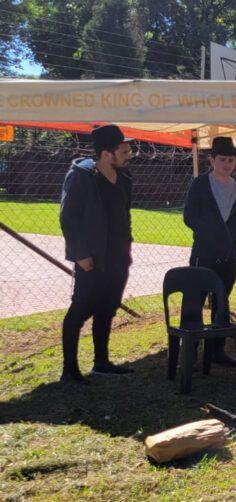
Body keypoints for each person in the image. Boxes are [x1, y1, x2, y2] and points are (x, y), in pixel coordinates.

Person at [59, 124, 135, 385]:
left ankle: (101, 363)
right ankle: (69, 371)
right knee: (80, 310)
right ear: (106, 154)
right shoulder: (81, 177)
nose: (129, 154)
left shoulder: (124, 179)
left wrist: (127, 249)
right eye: (124, 150)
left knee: (107, 308)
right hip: (91, 258)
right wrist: (79, 254)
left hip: (118, 258)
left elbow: (125, 216)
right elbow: (68, 218)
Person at [183, 136, 236, 365]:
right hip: (204, 254)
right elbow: (190, 216)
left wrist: (234, 233)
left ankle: (216, 351)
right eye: (222, 159)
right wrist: (212, 232)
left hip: (230, 256)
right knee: (195, 301)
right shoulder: (200, 184)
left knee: (222, 302)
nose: (227, 164)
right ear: (212, 160)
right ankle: (190, 353)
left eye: (231, 160)